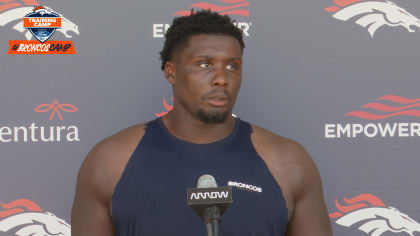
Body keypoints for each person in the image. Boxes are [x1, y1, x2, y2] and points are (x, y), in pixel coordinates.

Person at [71, 10, 332, 236]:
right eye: (205, 64)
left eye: (232, 66)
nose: (221, 78)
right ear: (171, 71)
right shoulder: (110, 162)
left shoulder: (288, 163)